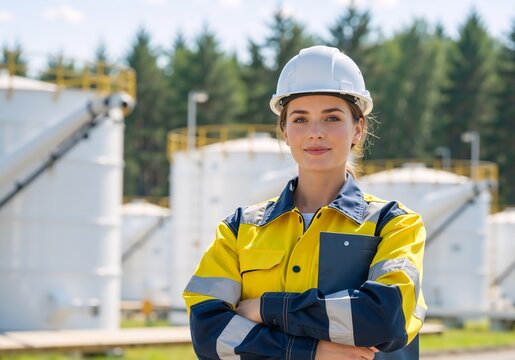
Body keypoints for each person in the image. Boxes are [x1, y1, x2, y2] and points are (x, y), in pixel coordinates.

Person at [183, 45, 427, 360]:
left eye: (332, 118)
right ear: (284, 131)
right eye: (300, 120)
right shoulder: (239, 229)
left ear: (358, 129)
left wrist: (265, 308)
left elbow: (383, 320)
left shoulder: (394, 225)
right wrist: (310, 351)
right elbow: (209, 333)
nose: (315, 133)